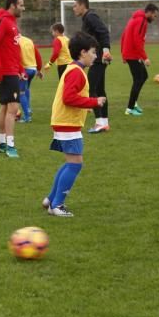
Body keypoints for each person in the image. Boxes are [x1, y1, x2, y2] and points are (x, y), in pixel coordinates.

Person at [41, 32, 106, 217]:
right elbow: (69, 98)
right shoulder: (76, 72)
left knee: (71, 162)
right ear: (83, 52)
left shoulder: (72, 69)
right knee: (76, 164)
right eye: (93, 52)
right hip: (67, 123)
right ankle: (57, 205)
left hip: (64, 121)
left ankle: (51, 199)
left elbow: (72, 97)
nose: (95, 56)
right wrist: (93, 102)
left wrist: (86, 105)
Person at [0, 0, 25, 158]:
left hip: (12, 70)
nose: (23, 8)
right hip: (7, 72)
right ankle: (10, 146)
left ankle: (1, 143)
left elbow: (14, 49)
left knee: (5, 107)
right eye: (21, 5)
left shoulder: (13, 23)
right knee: (13, 109)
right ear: (12, 5)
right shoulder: (3, 21)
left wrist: (21, 68)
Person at [73, 0, 112, 133]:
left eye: (75, 6)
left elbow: (104, 31)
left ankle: (99, 122)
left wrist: (106, 50)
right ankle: (104, 122)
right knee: (100, 89)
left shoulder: (91, 16)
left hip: (98, 58)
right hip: (98, 57)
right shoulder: (87, 18)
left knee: (91, 88)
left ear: (83, 6)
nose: (74, 8)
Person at [120, 3, 157, 116]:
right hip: (133, 54)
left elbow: (124, 35)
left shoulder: (134, 19)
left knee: (143, 77)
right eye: (155, 16)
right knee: (138, 79)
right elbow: (137, 40)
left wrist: (123, 53)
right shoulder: (142, 21)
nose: (155, 18)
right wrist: (145, 57)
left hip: (130, 54)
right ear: (149, 13)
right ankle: (130, 108)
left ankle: (134, 103)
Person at [18, 33, 43, 122]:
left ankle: (27, 117)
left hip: (24, 69)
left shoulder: (15, 41)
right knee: (26, 88)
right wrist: (39, 70)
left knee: (21, 93)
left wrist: (19, 71)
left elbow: (17, 56)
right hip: (33, 69)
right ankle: (28, 109)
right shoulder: (29, 40)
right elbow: (38, 56)